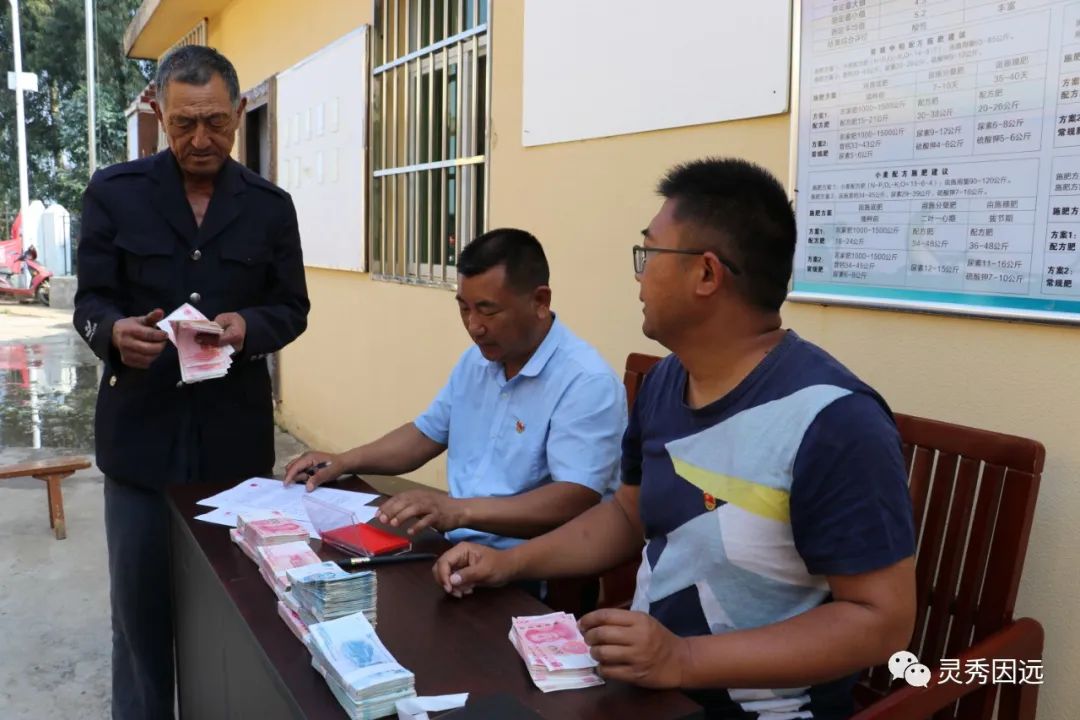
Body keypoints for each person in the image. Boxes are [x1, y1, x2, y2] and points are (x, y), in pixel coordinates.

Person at [431, 159, 917, 719]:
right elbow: (627, 515)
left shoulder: (833, 421)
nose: (638, 277)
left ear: (706, 275)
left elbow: (880, 619)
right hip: (643, 687)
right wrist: (509, 566)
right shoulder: (667, 381)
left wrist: (684, 658)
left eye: (649, 254)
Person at [73, 46, 309, 720]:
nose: (200, 140)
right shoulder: (115, 194)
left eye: (215, 123)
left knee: (234, 622)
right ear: (158, 113)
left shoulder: (269, 207)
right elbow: (89, 303)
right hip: (140, 450)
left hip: (232, 452)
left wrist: (247, 325)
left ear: (238, 113)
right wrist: (115, 334)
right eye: (184, 124)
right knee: (141, 628)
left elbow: (292, 308)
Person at [286, 228, 625, 553]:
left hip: (527, 565)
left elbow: (573, 498)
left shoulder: (585, 381)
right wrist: (344, 461)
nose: (474, 326)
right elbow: (426, 434)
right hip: (451, 543)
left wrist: (458, 510)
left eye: (487, 310)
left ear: (540, 300)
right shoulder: (477, 362)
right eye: (464, 307)